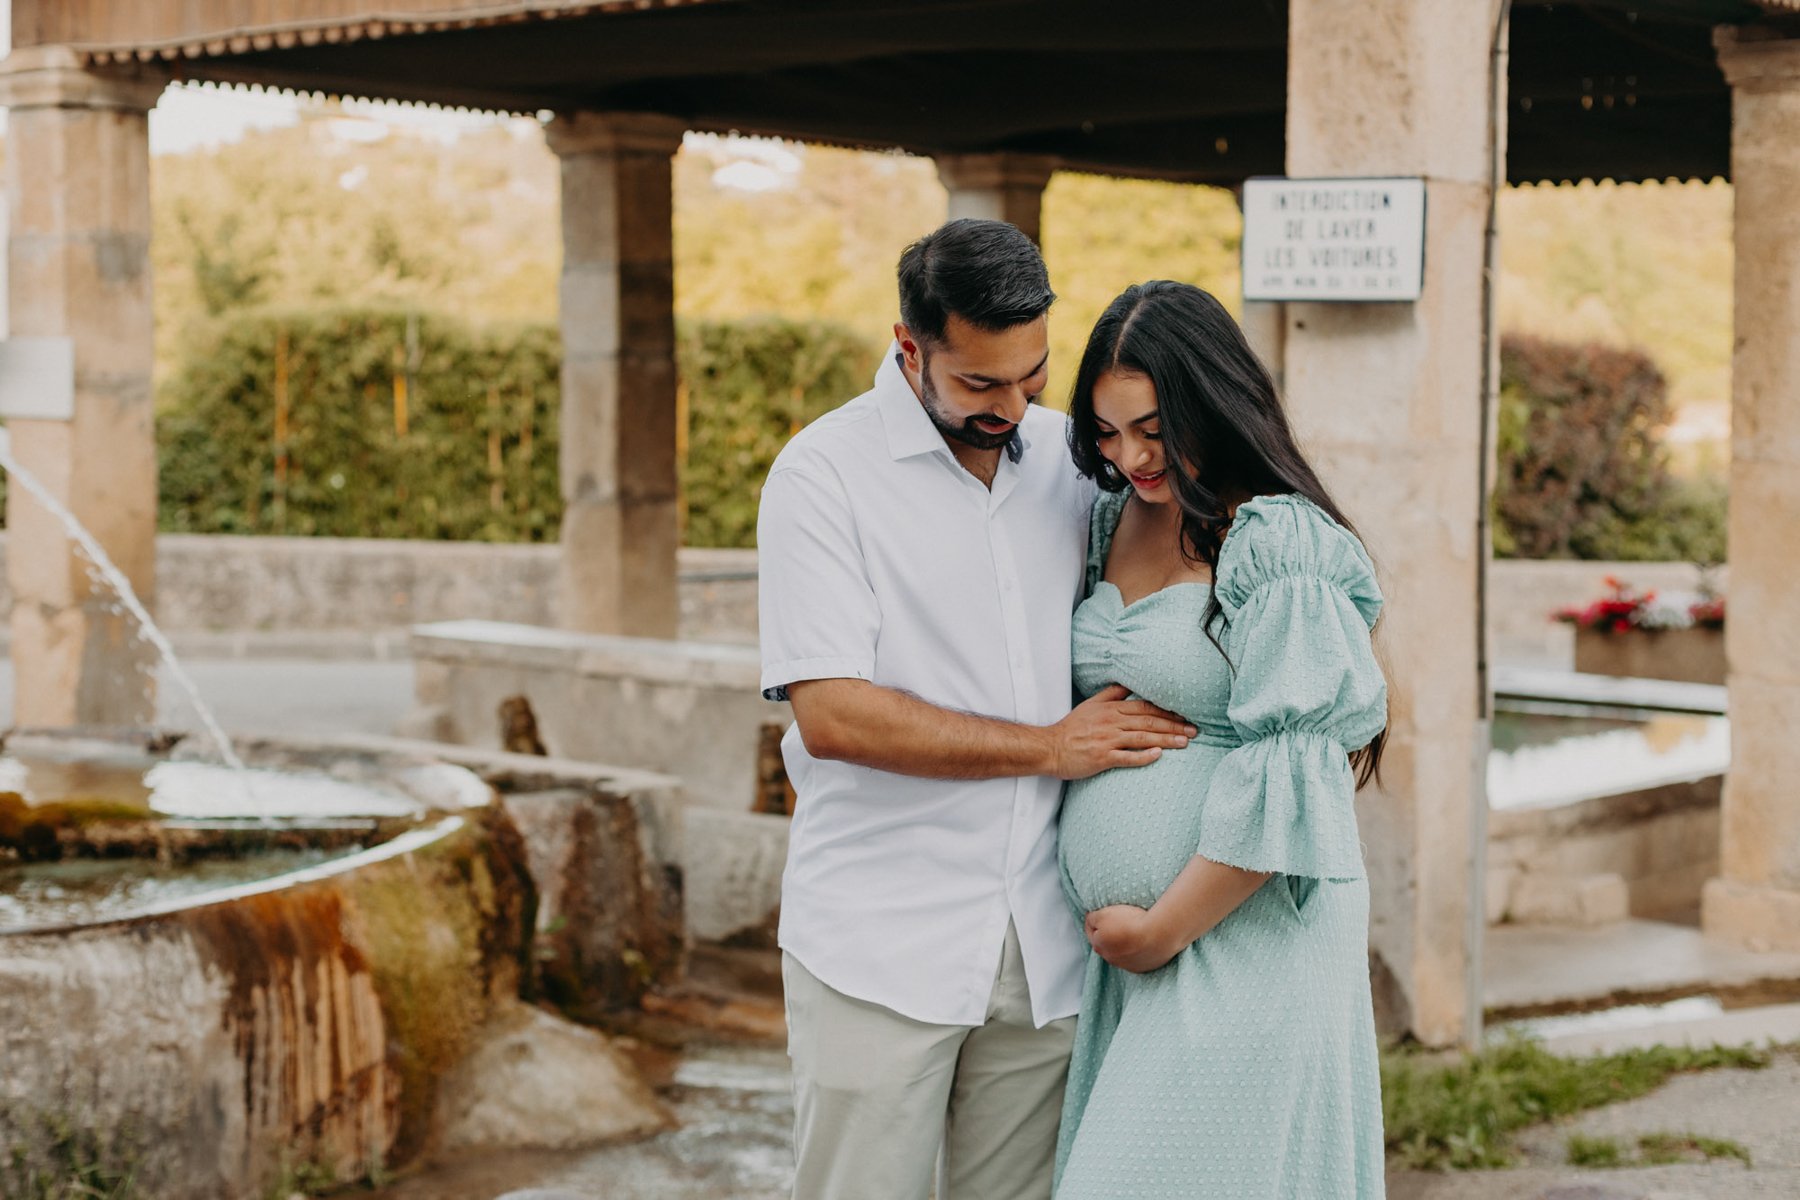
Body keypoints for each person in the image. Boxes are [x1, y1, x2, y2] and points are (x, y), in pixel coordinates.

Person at [756, 220, 1196, 1200]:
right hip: (878, 945)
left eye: (1031, 375)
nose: (1012, 405)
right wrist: (1049, 748)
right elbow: (834, 715)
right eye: (979, 385)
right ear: (910, 348)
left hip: (1048, 945)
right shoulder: (821, 477)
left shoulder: (1074, 461)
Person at [1054, 280, 1390, 1198]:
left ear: (1213, 397)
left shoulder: (1274, 539)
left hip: (1242, 932)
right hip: (1143, 951)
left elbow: (1302, 775)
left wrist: (1161, 928)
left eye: (1155, 428)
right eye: (1110, 432)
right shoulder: (1108, 519)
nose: (1131, 456)